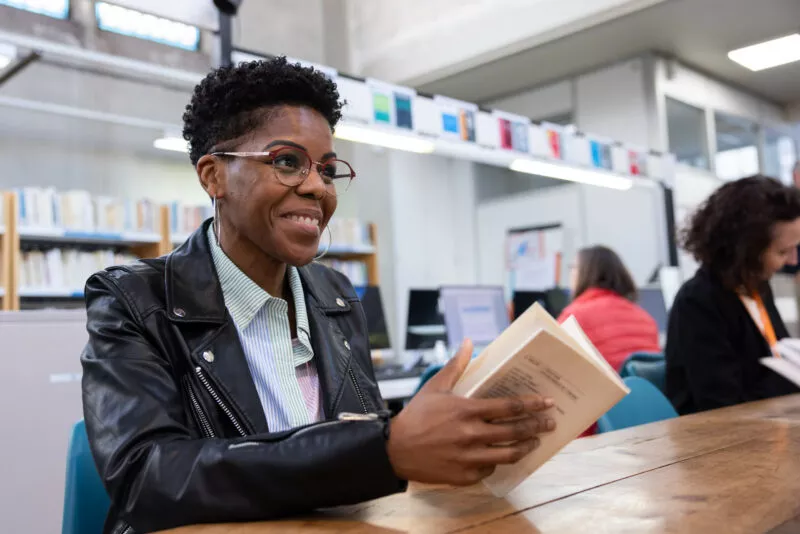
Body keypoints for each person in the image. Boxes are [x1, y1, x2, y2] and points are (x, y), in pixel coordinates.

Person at [81, 58, 556, 534]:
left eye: (327, 170)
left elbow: (357, 470)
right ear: (213, 176)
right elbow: (146, 479)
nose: (316, 188)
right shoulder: (132, 299)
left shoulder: (336, 296)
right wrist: (383, 451)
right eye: (287, 162)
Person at [666, 176, 800, 415]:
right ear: (746, 250)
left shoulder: (758, 289)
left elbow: (782, 360)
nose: (793, 261)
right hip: (718, 433)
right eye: (782, 252)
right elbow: (721, 402)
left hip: (767, 424)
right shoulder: (697, 302)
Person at [558, 245, 660, 371]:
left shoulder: (574, 316)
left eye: (572, 268)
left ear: (584, 272)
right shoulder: (645, 318)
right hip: (642, 384)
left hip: (603, 383)